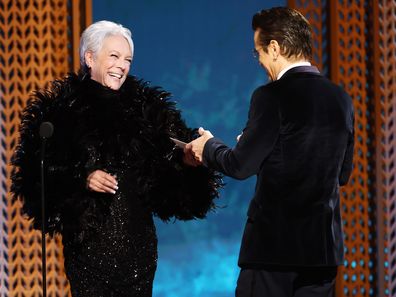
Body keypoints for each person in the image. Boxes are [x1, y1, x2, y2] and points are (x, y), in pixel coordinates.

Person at [11, 20, 221, 297]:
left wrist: (188, 160)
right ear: (90, 57)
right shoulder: (60, 112)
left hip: (139, 251)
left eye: (127, 59)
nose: (121, 65)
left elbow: (172, 163)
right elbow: (35, 174)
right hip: (87, 252)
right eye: (114, 56)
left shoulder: (148, 109)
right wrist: (82, 177)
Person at [185, 6, 354, 297]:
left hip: (273, 253)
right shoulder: (341, 98)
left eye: (258, 52)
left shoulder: (271, 95)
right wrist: (270, 150)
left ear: (274, 48)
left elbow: (240, 165)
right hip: (322, 254)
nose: (260, 61)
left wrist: (208, 146)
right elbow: (342, 173)